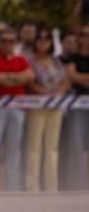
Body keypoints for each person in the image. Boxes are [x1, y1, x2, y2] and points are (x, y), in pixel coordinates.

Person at [0, 28, 32, 191]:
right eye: (4, 40)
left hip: (17, 108)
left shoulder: (21, 59)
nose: (7, 44)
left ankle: (13, 186)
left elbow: (29, 77)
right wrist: (16, 77)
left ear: (16, 43)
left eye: (11, 41)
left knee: (14, 147)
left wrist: (6, 77)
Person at [22, 30, 68, 192]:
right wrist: (45, 94)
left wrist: (58, 95)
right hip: (38, 106)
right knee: (34, 147)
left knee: (52, 148)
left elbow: (64, 81)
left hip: (56, 107)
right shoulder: (29, 61)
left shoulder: (56, 61)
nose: (43, 42)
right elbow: (29, 83)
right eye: (39, 39)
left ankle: (51, 187)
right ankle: (32, 187)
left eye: (46, 39)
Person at [66, 25, 89, 191]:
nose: (86, 38)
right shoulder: (73, 57)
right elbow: (71, 76)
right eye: (84, 35)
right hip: (76, 107)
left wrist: (80, 78)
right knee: (76, 145)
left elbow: (76, 77)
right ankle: (78, 185)